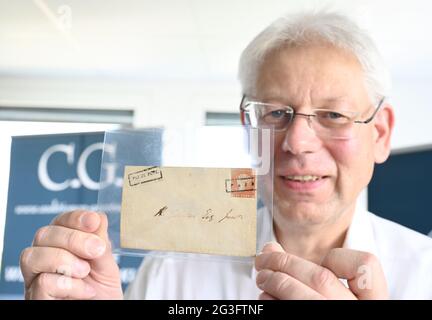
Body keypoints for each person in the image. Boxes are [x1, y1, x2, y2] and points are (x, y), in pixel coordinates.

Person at [20, 10, 432, 300]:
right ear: (247, 129)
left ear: (380, 134)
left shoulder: (425, 274)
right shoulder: (172, 268)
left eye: (333, 115)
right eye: (275, 114)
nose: (298, 142)